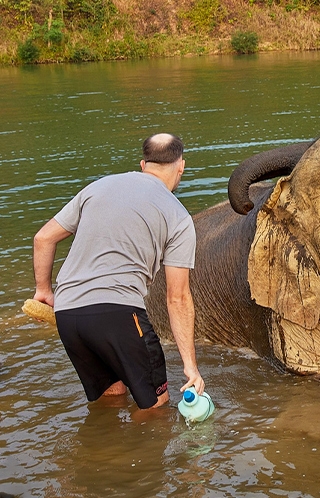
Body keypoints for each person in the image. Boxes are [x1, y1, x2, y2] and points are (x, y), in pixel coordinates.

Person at [32, 133, 205, 411]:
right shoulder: (178, 216)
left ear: (142, 164)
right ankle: (139, 454)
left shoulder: (97, 188)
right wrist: (190, 367)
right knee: (156, 409)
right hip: (118, 313)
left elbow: (43, 238)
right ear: (181, 166)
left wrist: (43, 291)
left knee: (111, 399)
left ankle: (107, 452)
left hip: (68, 315)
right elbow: (177, 298)